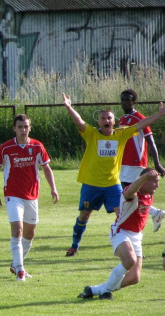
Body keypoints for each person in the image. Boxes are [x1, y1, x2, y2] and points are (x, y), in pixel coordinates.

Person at [63, 93, 165, 256]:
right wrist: (69, 107)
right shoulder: (92, 134)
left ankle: (132, 248)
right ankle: (74, 245)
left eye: (109, 118)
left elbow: (141, 125)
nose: (106, 121)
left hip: (112, 184)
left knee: (124, 214)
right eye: (103, 118)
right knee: (84, 215)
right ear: (98, 122)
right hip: (91, 183)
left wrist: (159, 115)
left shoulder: (121, 134)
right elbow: (79, 122)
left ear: (114, 121)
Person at [0, 114, 59, 281]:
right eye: (20, 127)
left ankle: (15, 264)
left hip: (32, 196)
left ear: (30, 128)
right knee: (17, 230)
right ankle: (20, 270)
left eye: (26, 126)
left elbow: (46, 168)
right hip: (13, 195)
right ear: (14, 128)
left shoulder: (37, 146)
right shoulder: (6, 148)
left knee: (30, 233)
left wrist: (53, 188)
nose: (23, 130)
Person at [78, 168, 160, 300]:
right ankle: (106, 292)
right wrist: (144, 177)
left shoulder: (149, 195)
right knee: (130, 260)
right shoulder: (132, 193)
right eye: (155, 182)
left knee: (134, 278)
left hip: (137, 236)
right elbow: (130, 192)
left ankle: (94, 290)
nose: (157, 185)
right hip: (121, 232)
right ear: (145, 181)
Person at [118, 89, 165, 232]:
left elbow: (151, 141)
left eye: (128, 100)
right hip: (124, 163)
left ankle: (151, 216)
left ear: (134, 102)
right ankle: (155, 213)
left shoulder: (139, 118)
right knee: (127, 194)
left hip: (136, 163)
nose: (125, 103)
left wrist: (157, 163)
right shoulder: (122, 119)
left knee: (131, 194)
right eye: (123, 100)